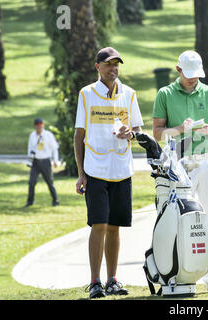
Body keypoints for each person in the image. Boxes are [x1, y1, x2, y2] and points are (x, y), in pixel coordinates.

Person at [152, 50, 208, 293]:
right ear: (178, 70)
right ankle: (181, 275)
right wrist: (179, 129)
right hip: (178, 163)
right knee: (176, 221)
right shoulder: (164, 94)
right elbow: (157, 133)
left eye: (196, 75)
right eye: (188, 75)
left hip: (207, 160)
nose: (193, 79)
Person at [74, 47, 144, 299]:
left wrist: (132, 134)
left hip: (122, 170)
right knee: (99, 224)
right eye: (108, 64)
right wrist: (81, 173)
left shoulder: (129, 94)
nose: (113, 68)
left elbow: (137, 129)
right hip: (95, 170)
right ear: (98, 67)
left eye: (117, 64)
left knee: (115, 226)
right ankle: (95, 282)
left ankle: (112, 279)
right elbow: (79, 136)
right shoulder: (86, 94)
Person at [25, 118, 59, 207]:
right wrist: (29, 160)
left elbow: (55, 148)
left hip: (46, 161)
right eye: (38, 126)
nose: (39, 127)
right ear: (35, 126)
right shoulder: (32, 135)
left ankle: (56, 200)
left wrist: (55, 160)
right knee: (31, 182)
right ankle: (30, 201)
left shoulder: (48, 135)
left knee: (50, 182)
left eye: (41, 125)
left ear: (43, 125)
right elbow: (30, 148)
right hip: (35, 162)